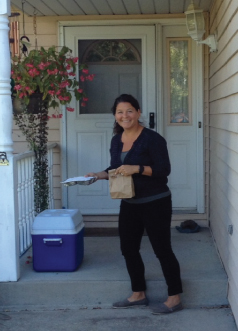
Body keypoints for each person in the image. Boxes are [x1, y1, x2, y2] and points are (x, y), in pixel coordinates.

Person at [85, 94, 183, 315]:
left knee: (162, 249)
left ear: (138, 112)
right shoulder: (116, 140)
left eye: (129, 110)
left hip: (155, 202)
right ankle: (138, 294)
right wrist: (98, 175)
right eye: (120, 112)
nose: (124, 115)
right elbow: (115, 168)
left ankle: (174, 297)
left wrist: (137, 168)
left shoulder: (153, 139)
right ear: (115, 116)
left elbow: (163, 170)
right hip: (129, 202)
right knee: (128, 248)